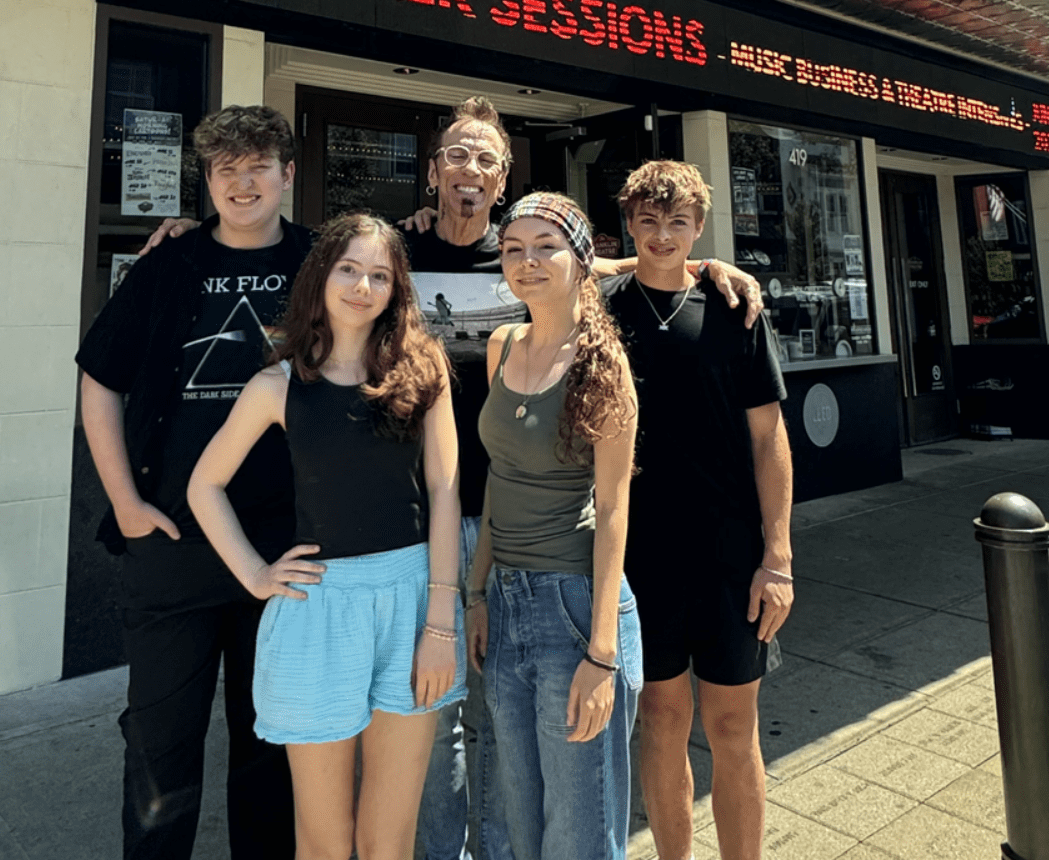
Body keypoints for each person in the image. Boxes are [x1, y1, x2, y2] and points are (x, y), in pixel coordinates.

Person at [143, 97, 763, 860]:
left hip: (506, 525)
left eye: (487, 160)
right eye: (457, 155)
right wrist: (196, 235)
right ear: (433, 172)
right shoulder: (397, 250)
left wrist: (700, 264)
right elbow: (319, 254)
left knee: (504, 727)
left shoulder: (519, 247)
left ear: (503, 180)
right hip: (416, 533)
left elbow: (605, 259)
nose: (471, 170)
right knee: (431, 732)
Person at [188, 213, 467, 860]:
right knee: (323, 839)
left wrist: (441, 624)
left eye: (380, 275)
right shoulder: (277, 385)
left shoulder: (423, 368)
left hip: (411, 605)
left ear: (396, 290)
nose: (363, 287)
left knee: (387, 839)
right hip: (319, 612)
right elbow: (205, 485)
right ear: (320, 276)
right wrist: (256, 573)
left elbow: (446, 492)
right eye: (348, 269)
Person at [76, 105, 309, 860]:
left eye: (257, 166)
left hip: (282, 545)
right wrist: (125, 503)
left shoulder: (321, 261)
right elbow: (99, 379)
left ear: (287, 175)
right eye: (224, 169)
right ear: (206, 181)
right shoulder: (167, 265)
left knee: (269, 746)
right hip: (172, 545)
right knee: (159, 742)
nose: (242, 184)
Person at [606, 162, 793, 860]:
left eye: (678, 223)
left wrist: (778, 555)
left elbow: (769, 437)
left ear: (699, 227)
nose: (662, 236)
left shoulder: (735, 309)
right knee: (661, 718)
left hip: (729, 553)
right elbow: (561, 261)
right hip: (639, 555)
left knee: (733, 726)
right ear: (630, 223)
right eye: (649, 222)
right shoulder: (603, 312)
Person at [464, 192, 641, 860]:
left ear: (581, 260)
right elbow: (499, 477)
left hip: (573, 607)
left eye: (546, 247)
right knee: (516, 820)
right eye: (513, 249)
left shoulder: (603, 365)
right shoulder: (501, 345)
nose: (527, 261)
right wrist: (476, 591)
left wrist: (602, 653)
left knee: (578, 831)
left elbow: (615, 509)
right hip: (505, 600)